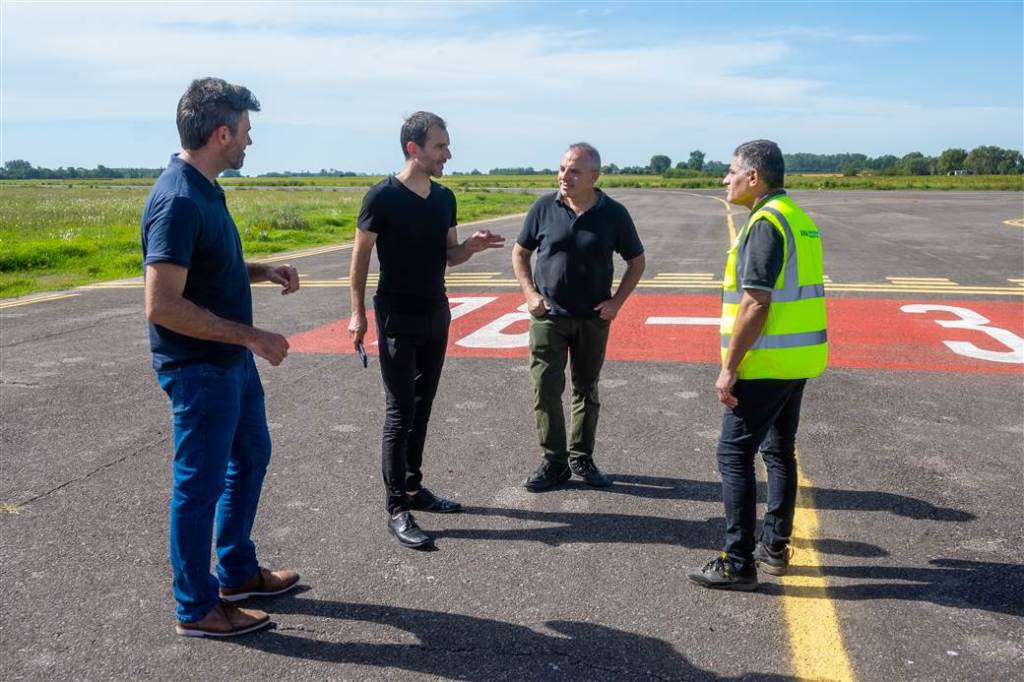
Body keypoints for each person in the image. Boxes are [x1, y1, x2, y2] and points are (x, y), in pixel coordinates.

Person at [142, 78, 301, 636]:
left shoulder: (206, 188)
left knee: (251, 456)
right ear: (221, 132)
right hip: (200, 369)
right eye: (246, 133)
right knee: (200, 486)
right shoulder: (179, 199)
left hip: (229, 361)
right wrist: (254, 337)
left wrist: (261, 269)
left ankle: (236, 572)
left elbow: (206, 271)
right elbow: (161, 304)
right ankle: (197, 607)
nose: (249, 144)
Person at [348, 111, 504, 549]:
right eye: (440, 146)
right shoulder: (381, 197)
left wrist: (469, 248)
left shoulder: (444, 198)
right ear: (413, 148)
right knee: (399, 411)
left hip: (437, 310)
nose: (448, 154)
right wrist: (357, 314)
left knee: (423, 403)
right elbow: (360, 259)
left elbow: (449, 255)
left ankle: (414, 487)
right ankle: (397, 506)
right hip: (396, 313)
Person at [687, 139, 828, 591]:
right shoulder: (797, 218)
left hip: (765, 362)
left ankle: (739, 560)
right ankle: (775, 544)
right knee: (778, 450)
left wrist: (730, 366)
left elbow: (756, 302)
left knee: (733, 454)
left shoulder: (765, 223)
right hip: (797, 358)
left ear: (754, 177)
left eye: (731, 172)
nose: (724, 180)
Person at [512, 143, 646, 492]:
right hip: (549, 316)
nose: (563, 176)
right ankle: (554, 462)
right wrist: (529, 293)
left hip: (592, 319)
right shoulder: (544, 206)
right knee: (545, 388)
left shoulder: (613, 213)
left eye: (573, 171)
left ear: (594, 176)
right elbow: (520, 253)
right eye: (560, 169)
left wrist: (616, 303)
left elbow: (637, 262)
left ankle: (581, 457)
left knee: (586, 389)